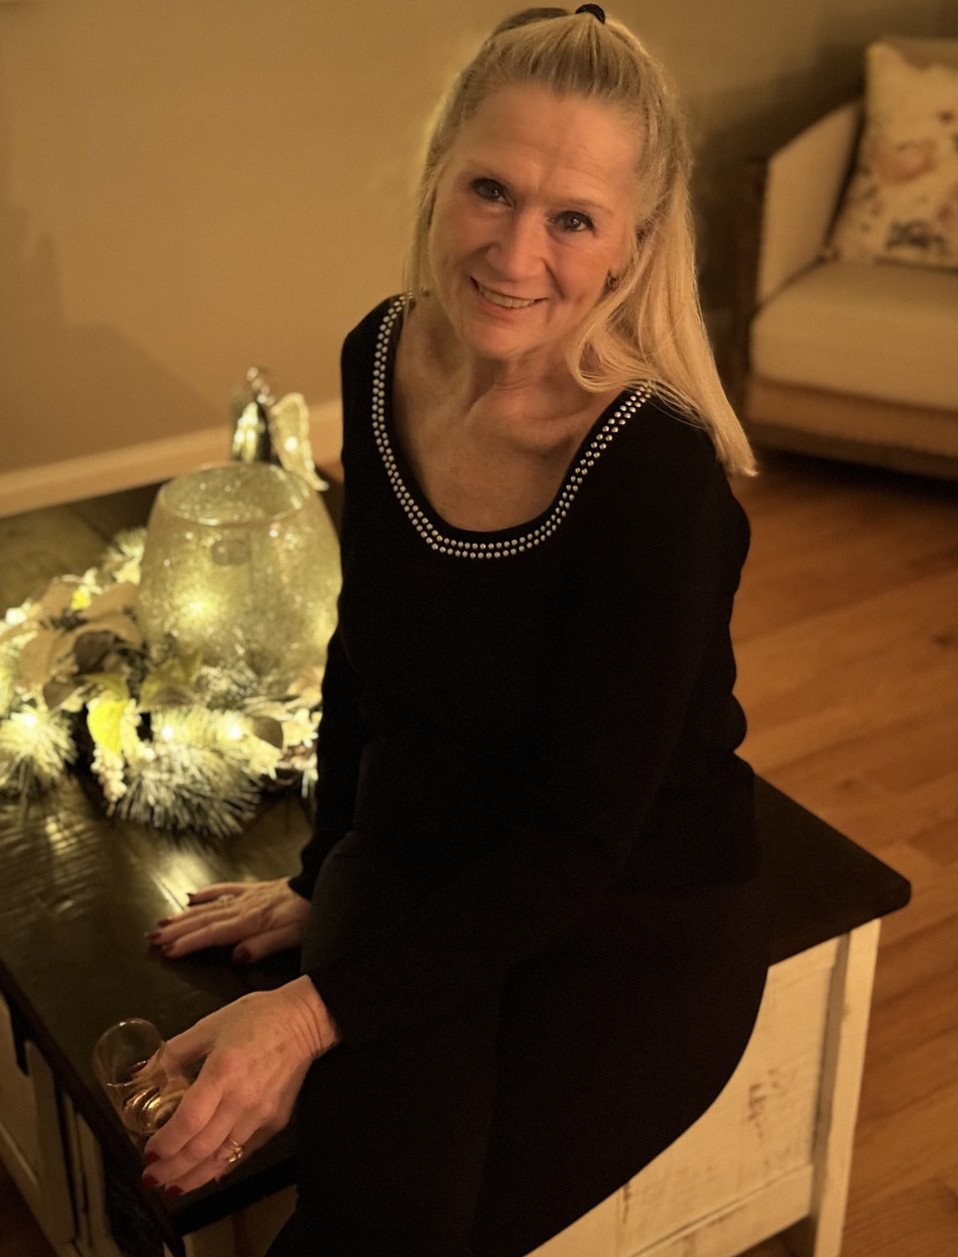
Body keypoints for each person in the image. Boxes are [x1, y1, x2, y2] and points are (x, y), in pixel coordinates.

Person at [142, 7, 768, 1256]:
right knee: (370, 1216)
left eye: (572, 218)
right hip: (426, 847)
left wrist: (310, 1012)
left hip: (626, 909)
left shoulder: (654, 475)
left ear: (633, 247)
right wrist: (322, 875)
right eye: (491, 189)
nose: (515, 252)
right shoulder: (381, 357)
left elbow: (575, 841)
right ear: (437, 175)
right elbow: (363, 655)